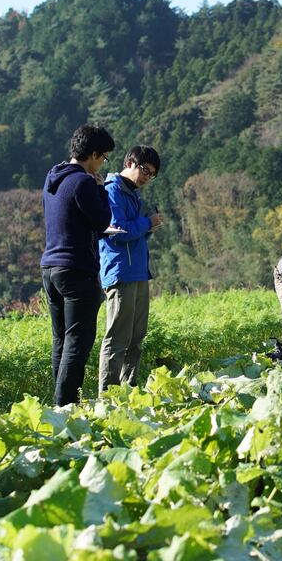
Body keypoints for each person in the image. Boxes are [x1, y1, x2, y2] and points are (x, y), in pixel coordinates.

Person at [40, 124, 115, 407]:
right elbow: (102, 220)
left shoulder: (53, 178)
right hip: (76, 268)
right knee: (78, 342)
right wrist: (101, 189)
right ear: (93, 154)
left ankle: (59, 405)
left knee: (60, 339)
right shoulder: (83, 182)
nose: (102, 163)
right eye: (103, 157)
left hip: (50, 267)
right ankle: (67, 406)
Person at [97, 145, 163, 394]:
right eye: (145, 170)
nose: (147, 177)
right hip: (120, 273)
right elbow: (115, 231)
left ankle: (129, 391)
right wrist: (147, 222)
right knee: (117, 338)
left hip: (138, 272)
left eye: (152, 174)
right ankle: (108, 396)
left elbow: (134, 235)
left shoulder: (133, 194)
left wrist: (148, 228)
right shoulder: (112, 190)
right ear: (130, 163)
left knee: (136, 338)